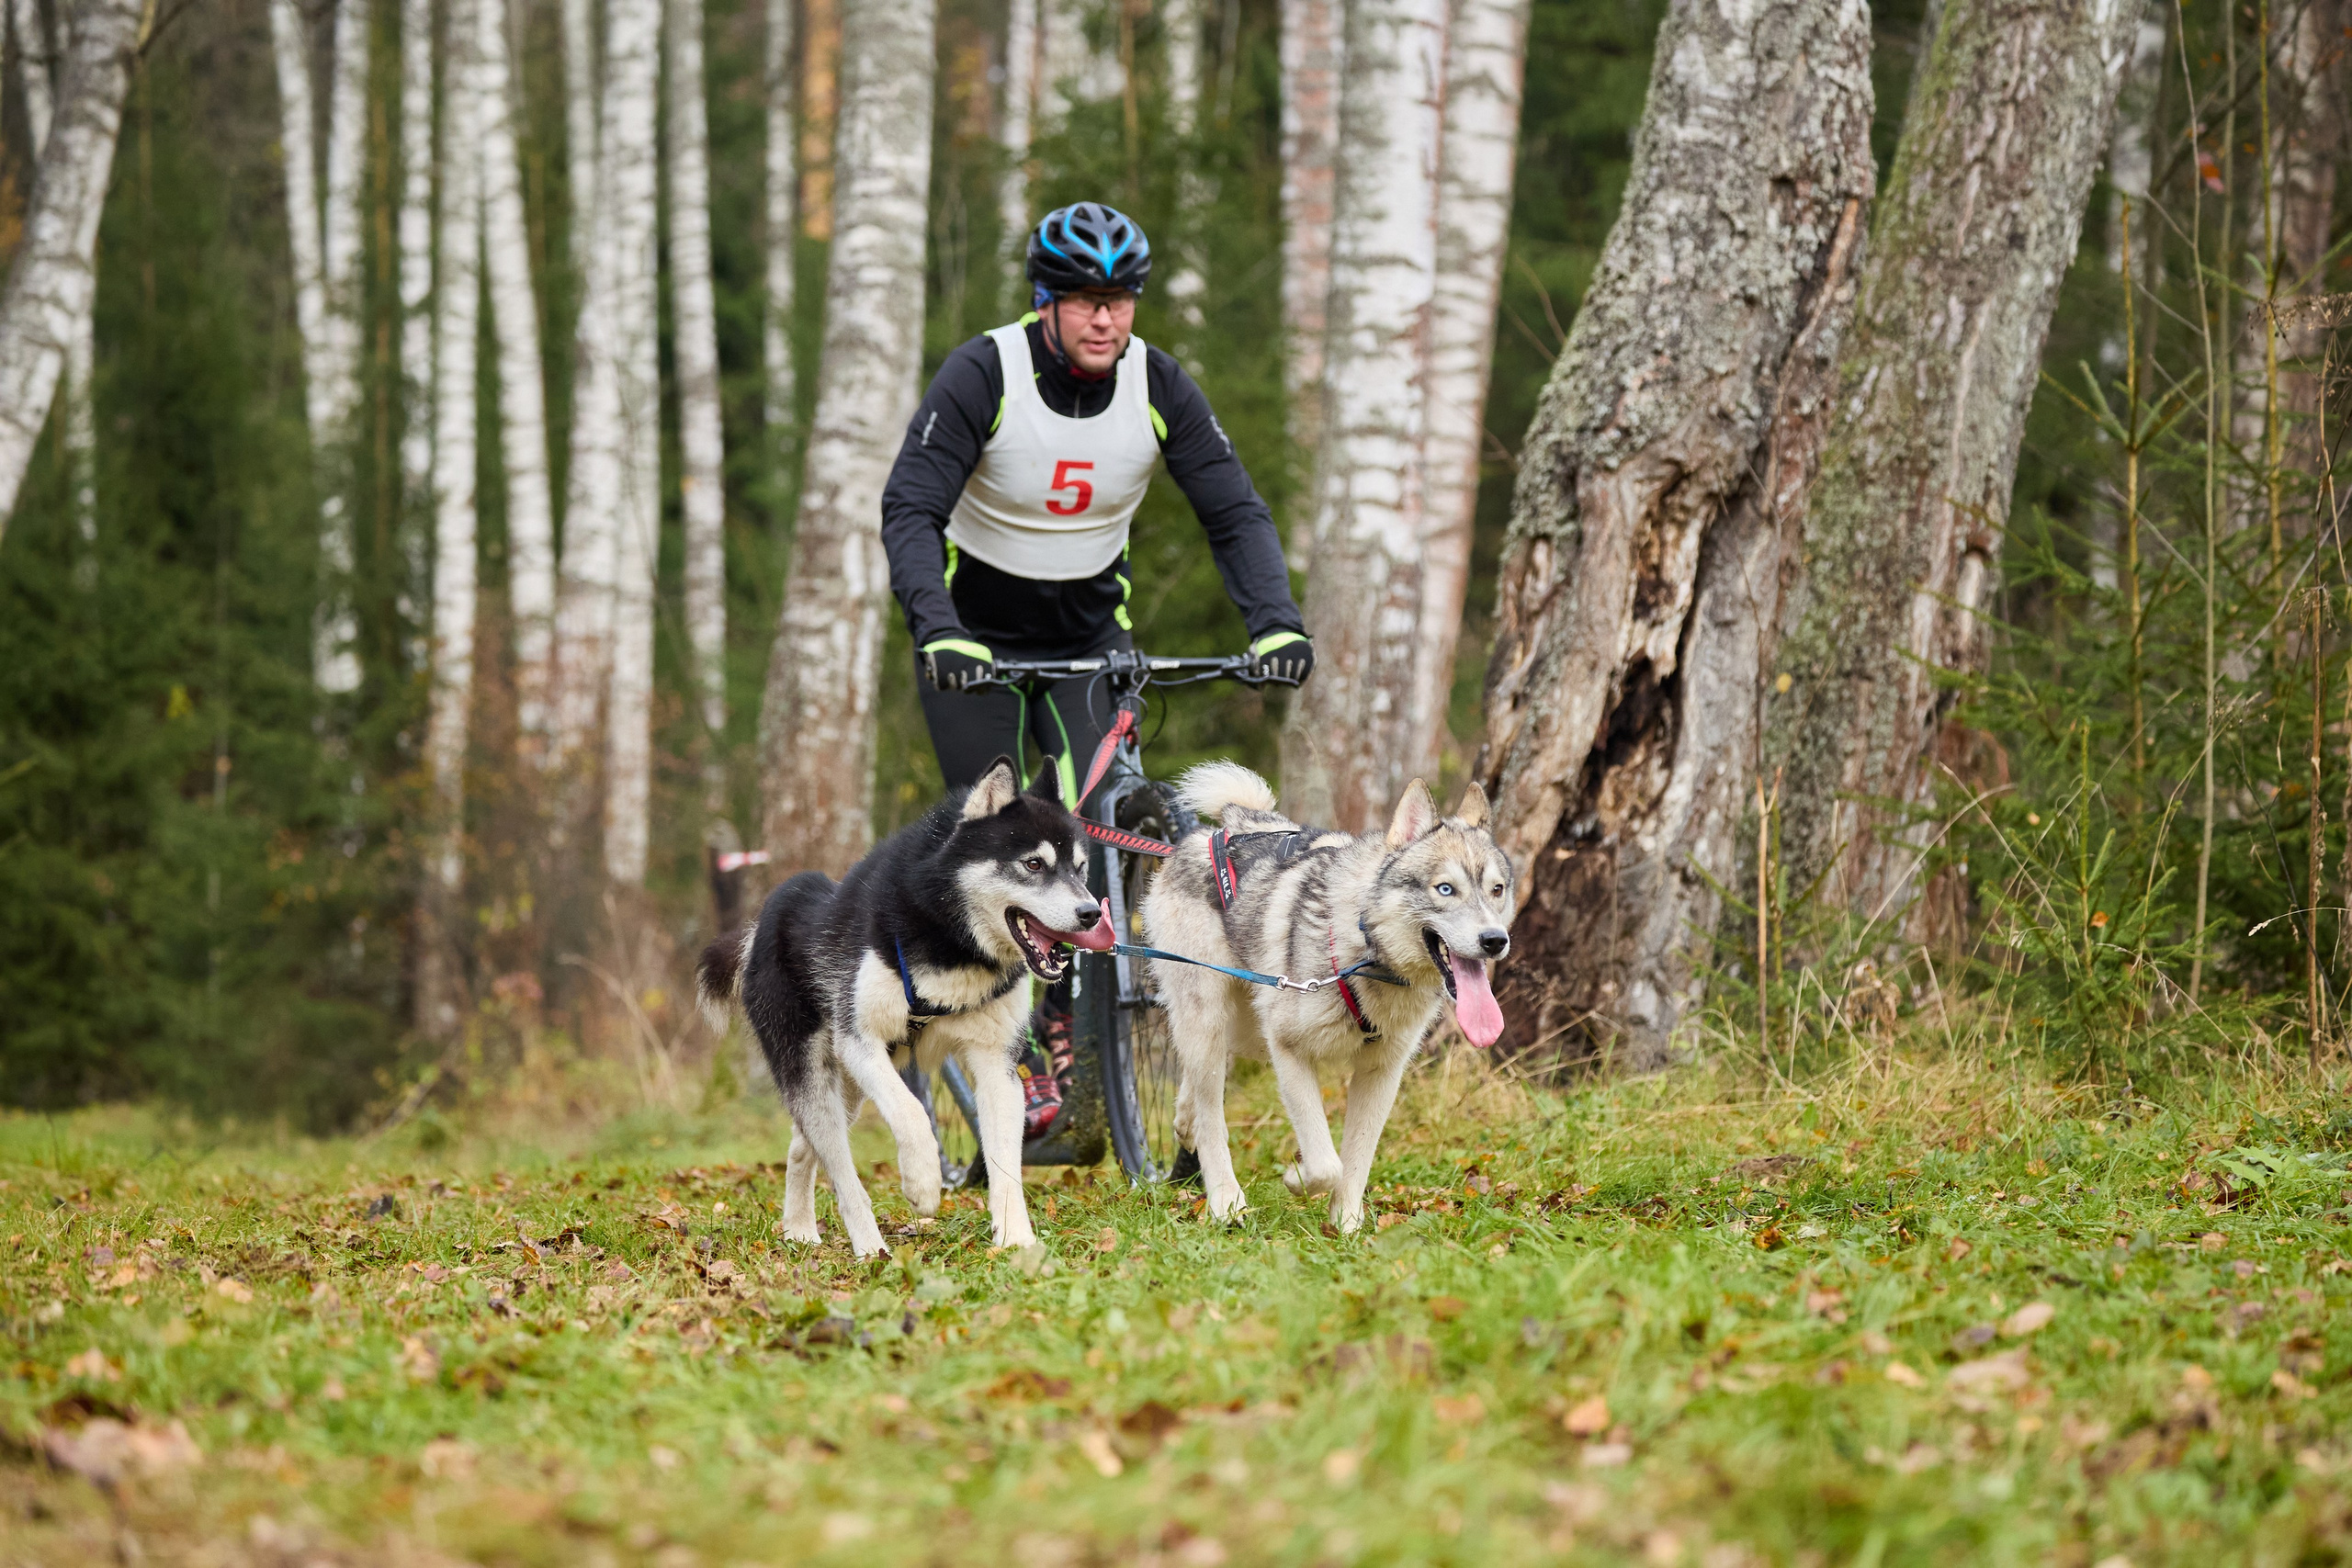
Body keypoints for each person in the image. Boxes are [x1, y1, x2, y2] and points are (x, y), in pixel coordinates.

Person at [880, 200, 1313, 1139]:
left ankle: (1096, 1027)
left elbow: (1233, 512)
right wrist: (938, 629)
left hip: (1087, 638)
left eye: (1118, 301)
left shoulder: (1156, 383)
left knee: (1096, 828)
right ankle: (1018, 1054)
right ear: (1046, 303)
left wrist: (1273, 622)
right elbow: (910, 509)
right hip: (975, 645)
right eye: (1083, 301)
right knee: (991, 843)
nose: (1104, 320)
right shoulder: (983, 373)